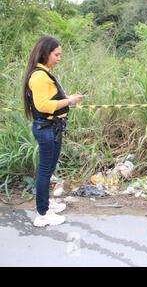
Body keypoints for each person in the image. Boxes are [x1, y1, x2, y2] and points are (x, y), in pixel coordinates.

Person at [23, 36, 85, 227]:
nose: (59, 58)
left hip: (52, 128)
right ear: (45, 53)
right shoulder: (40, 76)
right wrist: (69, 101)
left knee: (48, 169)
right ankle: (42, 214)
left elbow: (50, 97)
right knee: (44, 171)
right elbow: (42, 104)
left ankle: (46, 204)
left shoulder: (43, 73)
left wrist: (68, 97)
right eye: (56, 54)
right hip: (46, 129)